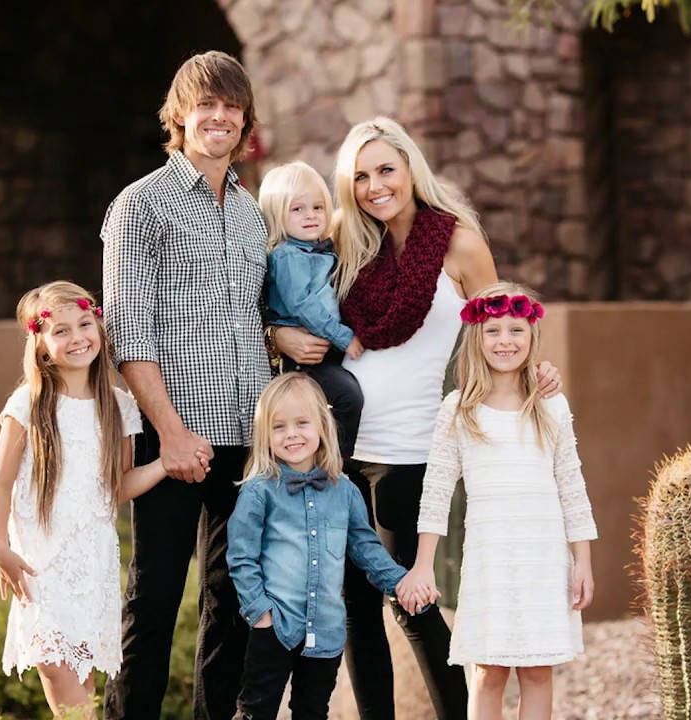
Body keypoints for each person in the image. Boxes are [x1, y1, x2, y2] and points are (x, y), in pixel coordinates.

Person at [271, 117, 562, 720]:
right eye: (361, 177)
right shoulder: (346, 244)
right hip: (340, 451)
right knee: (353, 610)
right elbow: (287, 299)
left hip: (410, 453)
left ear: (410, 168)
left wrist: (540, 374)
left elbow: (504, 327)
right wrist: (279, 333)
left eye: (386, 170)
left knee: (413, 602)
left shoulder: (458, 243)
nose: (376, 186)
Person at [100, 50, 270, 720]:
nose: (220, 117)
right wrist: (171, 434)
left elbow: (257, 315)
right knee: (156, 599)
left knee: (229, 604)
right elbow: (127, 331)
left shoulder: (253, 215)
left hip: (246, 437)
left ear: (246, 119)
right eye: (207, 104)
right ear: (180, 115)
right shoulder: (141, 205)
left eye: (232, 106)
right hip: (173, 435)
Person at [401, 281, 597, 720]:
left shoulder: (551, 408)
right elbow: (436, 489)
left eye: (515, 331)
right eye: (493, 331)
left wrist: (581, 559)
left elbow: (572, 485)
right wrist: (423, 563)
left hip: (544, 557)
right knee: (488, 671)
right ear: (477, 337)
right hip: (491, 556)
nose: (504, 341)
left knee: (537, 672)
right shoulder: (458, 410)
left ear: (532, 338)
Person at [0, 281, 176, 718]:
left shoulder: (119, 407)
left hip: (91, 562)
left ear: (99, 326)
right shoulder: (29, 405)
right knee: (55, 667)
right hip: (40, 562)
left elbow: (118, 486)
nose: (76, 338)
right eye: (61, 331)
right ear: (42, 345)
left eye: (84, 324)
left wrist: (166, 463)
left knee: (82, 675)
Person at [227, 373, 416, 720]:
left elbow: (365, 548)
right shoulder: (258, 492)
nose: (292, 434)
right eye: (279, 426)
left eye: (302, 423)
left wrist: (401, 582)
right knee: (256, 710)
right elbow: (241, 557)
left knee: (313, 711)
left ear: (322, 426)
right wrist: (260, 613)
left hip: (325, 632)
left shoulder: (345, 491)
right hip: (276, 626)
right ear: (265, 435)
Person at [259, 161, 364, 458]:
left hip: (324, 347)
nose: (311, 216)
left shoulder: (318, 250)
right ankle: (336, 465)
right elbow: (303, 305)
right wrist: (344, 337)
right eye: (298, 209)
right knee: (347, 396)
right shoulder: (288, 256)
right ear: (278, 215)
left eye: (318, 207)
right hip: (304, 356)